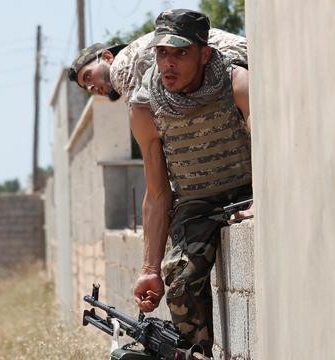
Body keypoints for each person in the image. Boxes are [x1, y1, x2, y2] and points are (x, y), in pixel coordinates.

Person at [127, 9, 254, 356]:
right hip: (197, 203)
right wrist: (150, 270)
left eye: (181, 52)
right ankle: (198, 354)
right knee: (179, 277)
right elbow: (156, 193)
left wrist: (264, 200)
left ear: (204, 54)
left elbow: (269, 149)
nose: (169, 63)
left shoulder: (236, 83)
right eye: (162, 52)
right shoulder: (145, 107)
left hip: (248, 191)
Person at [67, 27, 247, 103]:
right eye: (86, 87)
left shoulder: (119, 69)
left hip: (238, 62)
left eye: (88, 75)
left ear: (107, 57)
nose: (90, 87)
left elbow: (150, 121)